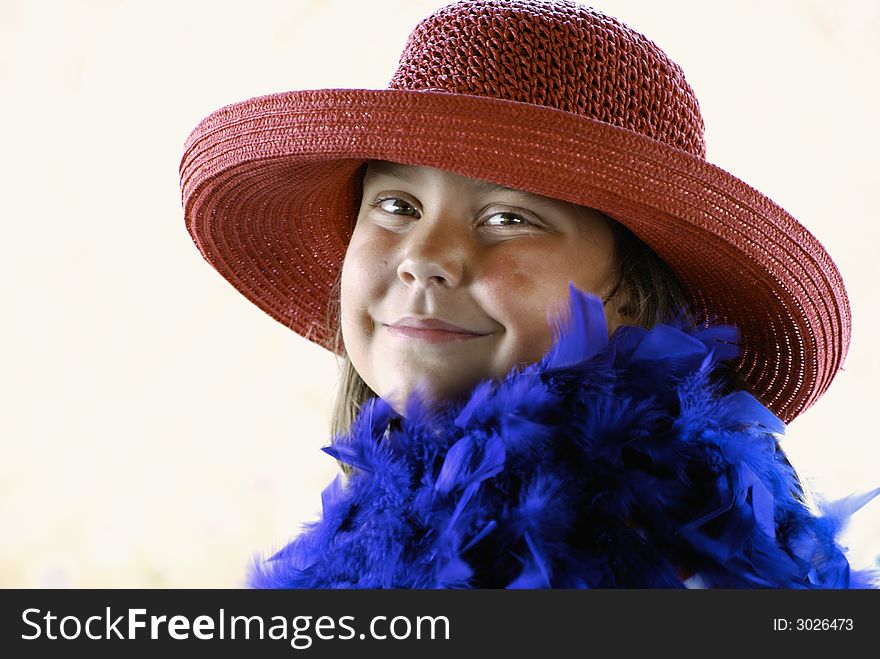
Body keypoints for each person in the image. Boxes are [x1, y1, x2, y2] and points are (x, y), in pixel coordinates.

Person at [180, 0, 878, 588]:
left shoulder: (639, 540)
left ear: (634, 301)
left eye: (508, 218)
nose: (425, 259)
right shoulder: (396, 517)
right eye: (395, 204)